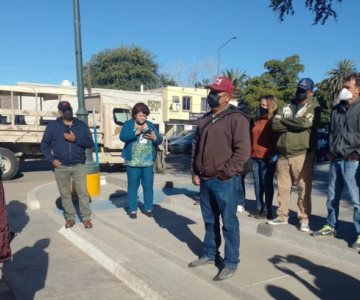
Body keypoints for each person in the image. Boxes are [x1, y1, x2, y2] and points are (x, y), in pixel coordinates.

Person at [188, 77, 251, 281]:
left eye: (216, 93)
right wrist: (194, 171)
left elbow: (242, 151)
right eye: (210, 91)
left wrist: (226, 173)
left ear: (227, 97)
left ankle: (231, 262)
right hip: (204, 180)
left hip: (225, 181)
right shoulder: (204, 119)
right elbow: (195, 148)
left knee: (229, 223)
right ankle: (209, 253)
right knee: (209, 221)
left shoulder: (237, 118)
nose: (211, 96)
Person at [312, 73, 360, 250]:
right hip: (336, 159)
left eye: (348, 87)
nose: (344, 90)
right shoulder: (336, 109)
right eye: (344, 86)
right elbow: (332, 132)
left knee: (356, 199)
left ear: (358, 89)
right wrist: (329, 151)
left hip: (354, 161)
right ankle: (330, 225)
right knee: (332, 196)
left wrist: (356, 154)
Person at [268, 78, 320, 232]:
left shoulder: (313, 106)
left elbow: (305, 123)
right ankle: (282, 215)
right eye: (298, 89)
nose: (299, 92)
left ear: (310, 92)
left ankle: (304, 219)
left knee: (304, 189)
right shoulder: (287, 105)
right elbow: (275, 124)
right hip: (283, 154)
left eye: (303, 90)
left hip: (302, 154)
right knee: (283, 188)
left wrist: (285, 121)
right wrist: (293, 121)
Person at [41, 101, 94, 229]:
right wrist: (51, 160)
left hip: (78, 165)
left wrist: (75, 139)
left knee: (83, 192)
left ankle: (86, 218)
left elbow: (89, 143)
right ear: (59, 112)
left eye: (69, 109)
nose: (67, 112)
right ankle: (70, 217)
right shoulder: (53, 126)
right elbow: (44, 145)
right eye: (64, 110)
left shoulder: (81, 125)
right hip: (61, 166)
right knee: (65, 194)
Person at [120, 102, 163, 219]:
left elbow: (159, 139)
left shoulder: (150, 124)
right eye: (140, 115)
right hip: (133, 162)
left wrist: (155, 138)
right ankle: (132, 210)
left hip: (148, 162)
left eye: (144, 116)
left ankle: (148, 208)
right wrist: (136, 133)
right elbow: (123, 137)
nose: (142, 118)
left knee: (148, 186)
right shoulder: (128, 124)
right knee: (133, 186)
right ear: (134, 115)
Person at [248, 95, 278, 220]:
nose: (262, 107)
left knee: (267, 184)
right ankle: (258, 207)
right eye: (261, 104)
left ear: (271, 106)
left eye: (265, 105)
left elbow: (278, 140)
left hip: (268, 157)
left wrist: (275, 155)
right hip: (255, 157)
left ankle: (267, 209)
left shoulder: (274, 121)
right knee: (257, 184)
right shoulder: (257, 120)